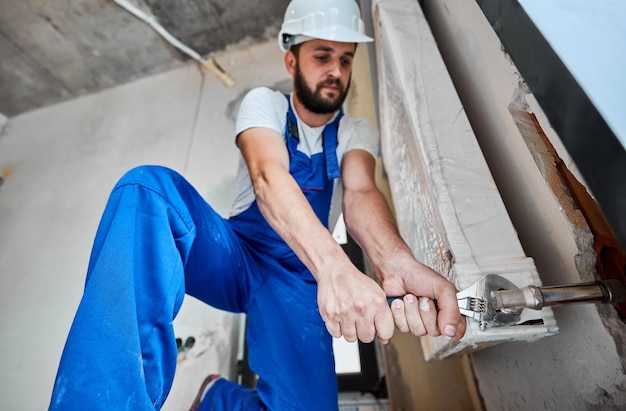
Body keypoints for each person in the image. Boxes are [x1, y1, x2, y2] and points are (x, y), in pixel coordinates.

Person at [49, 0, 466, 409]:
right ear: (291, 61)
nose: (336, 71)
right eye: (323, 55)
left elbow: (360, 193)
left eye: (346, 58)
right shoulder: (265, 104)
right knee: (147, 192)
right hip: (241, 258)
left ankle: (217, 398)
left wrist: (396, 262)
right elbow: (269, 177)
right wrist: (335, 268)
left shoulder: (356, 131)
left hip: (301, 282)